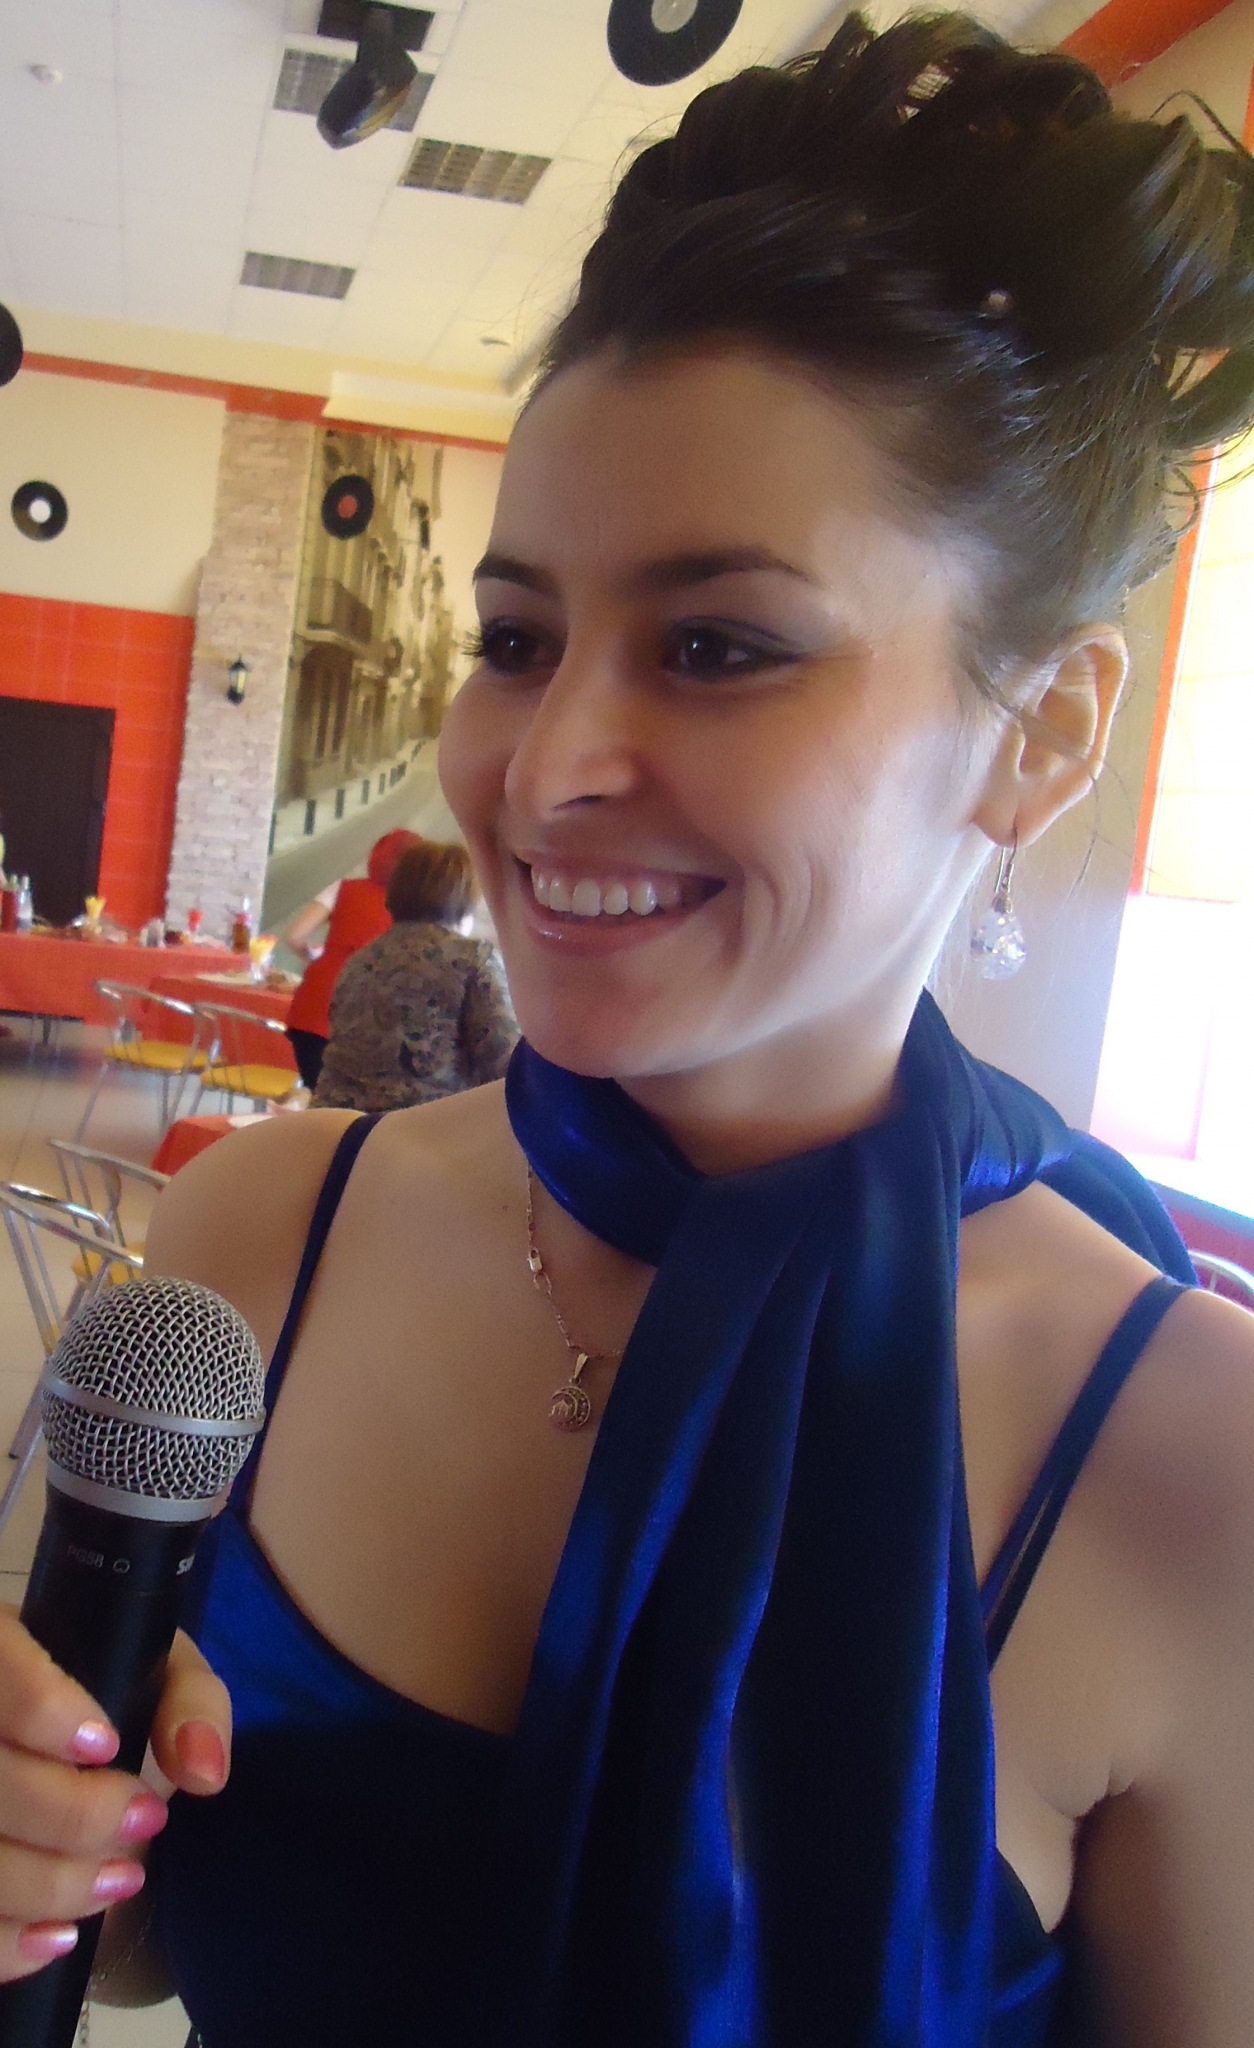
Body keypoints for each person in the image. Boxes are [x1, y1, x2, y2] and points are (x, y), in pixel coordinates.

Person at [2, 16, 1254, 2044]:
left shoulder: (1193, 1461)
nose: (546, 761)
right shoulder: (263, 1239)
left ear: (1041, 729)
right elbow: (146, 1940)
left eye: (718, 643)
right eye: (515, 638)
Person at [312, 839, 516, 1111]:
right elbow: (507, 1065)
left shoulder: (361, 960)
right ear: (465, 898)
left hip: (336, 1123)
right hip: (421, 1126)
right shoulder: (473, 959)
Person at [281, 827, 422, 1089]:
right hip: (370, 1024)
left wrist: (318, 958)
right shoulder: (419, 909)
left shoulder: (343, 889)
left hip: (314, 1010)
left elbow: (294, 936)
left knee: (318, 1094)